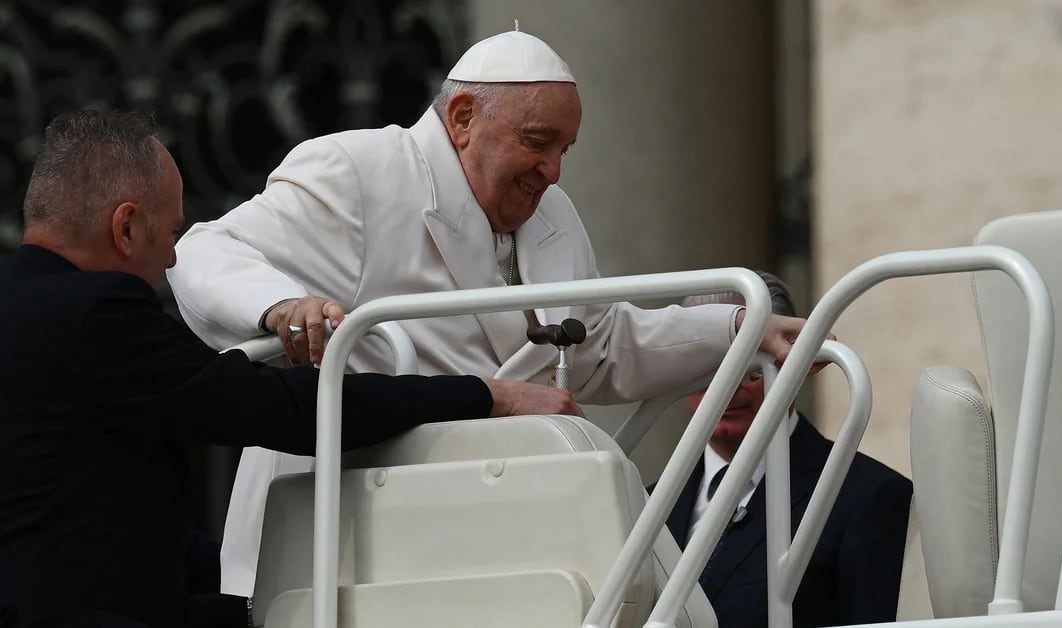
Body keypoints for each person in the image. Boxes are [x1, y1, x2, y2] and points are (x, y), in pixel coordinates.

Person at [166, 29, 815, 596]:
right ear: (463, 116)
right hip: (348, 534)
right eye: (539, 142)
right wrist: (281, 307)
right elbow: (204, 252)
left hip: (484, 531)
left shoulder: (551, 215)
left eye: (566, 149)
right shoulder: (358, 171)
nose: (554, 171)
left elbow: (599, 345)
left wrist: (738, 328)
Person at [0, 111, 579, 628]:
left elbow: (91, 509)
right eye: (171, 233)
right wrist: (484, 397)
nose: (173, 257)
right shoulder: (97, 314)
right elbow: (279, 408)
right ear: (126, 228)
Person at [658, 272, 912, 628]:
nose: (725, 390)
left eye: (749, 370)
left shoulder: (867, 496)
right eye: (705, 369)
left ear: (795, 367)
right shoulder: (646, 505)